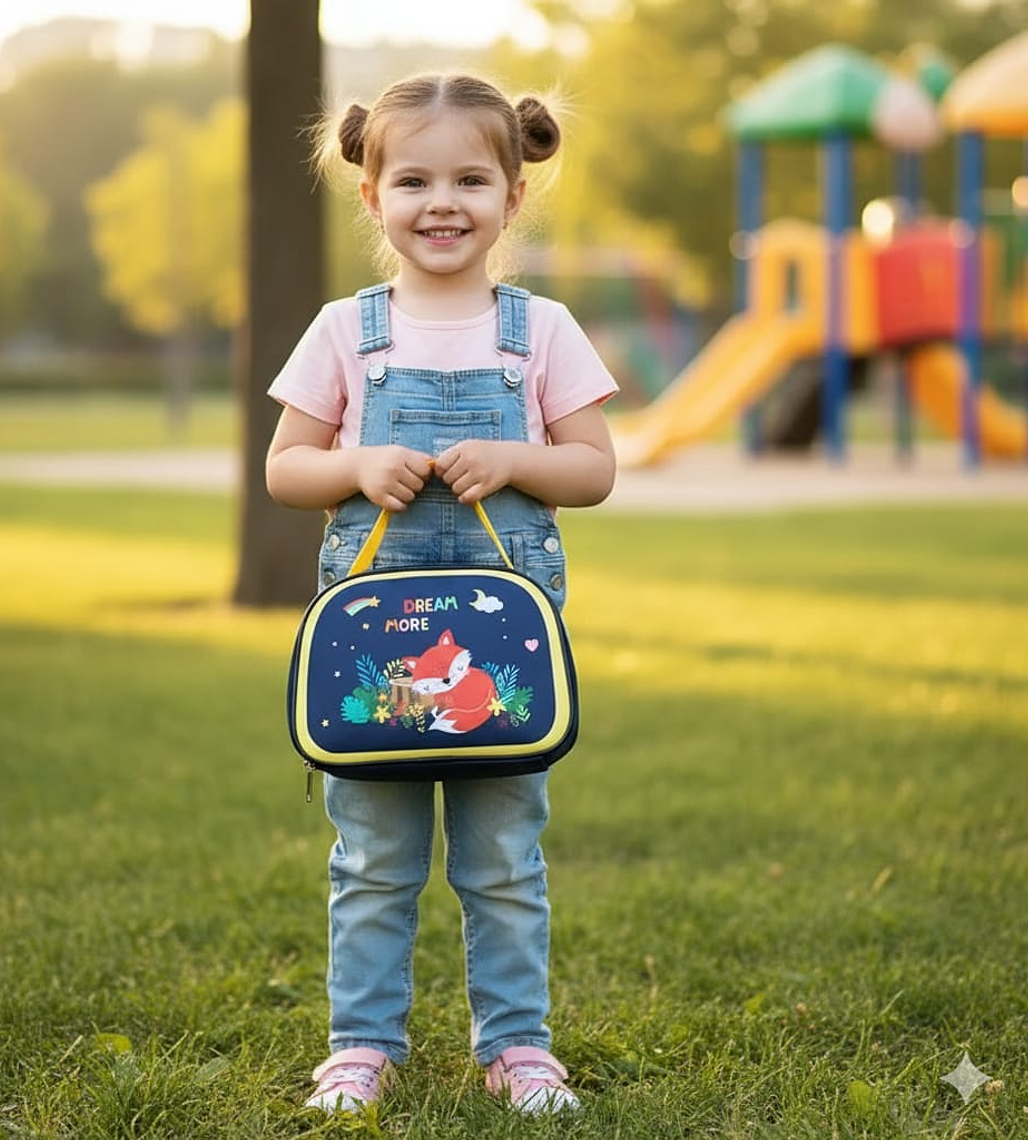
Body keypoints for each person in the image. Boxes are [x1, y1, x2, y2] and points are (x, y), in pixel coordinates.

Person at [265, 71, 618, 1116]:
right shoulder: (345, 331)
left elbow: (593, 468)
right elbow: (288, 468)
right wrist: (354, 469)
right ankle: (362, 1045)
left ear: (515, 192)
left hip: (498, 660)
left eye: (471, 177)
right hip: (379, 651)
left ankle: (517, 1045)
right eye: (413, 179)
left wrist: (518, 458)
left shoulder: (541, 331)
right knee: (372, 857)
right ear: (373, 197)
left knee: (503, 857)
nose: (443, 202)